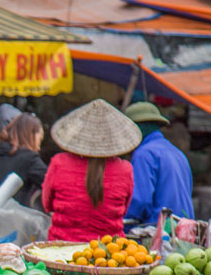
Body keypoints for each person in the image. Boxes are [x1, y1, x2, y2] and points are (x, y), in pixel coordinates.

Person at [41, 99, 141, 242]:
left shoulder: (59, 163)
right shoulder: (125, 169)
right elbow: (123, 210)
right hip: (110, 253)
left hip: (61, 248)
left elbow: (47, 204)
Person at [123, 102, 194, 224]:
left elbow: (140, 202)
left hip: (159, 232)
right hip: (185, 231)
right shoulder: (177, 153)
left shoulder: (144, 154)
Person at [0, 112, 47, 207]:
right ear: (32, 135)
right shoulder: (29, 159)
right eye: (39, 140)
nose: (38, 148)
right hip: (13, 219)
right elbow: (52, 184)